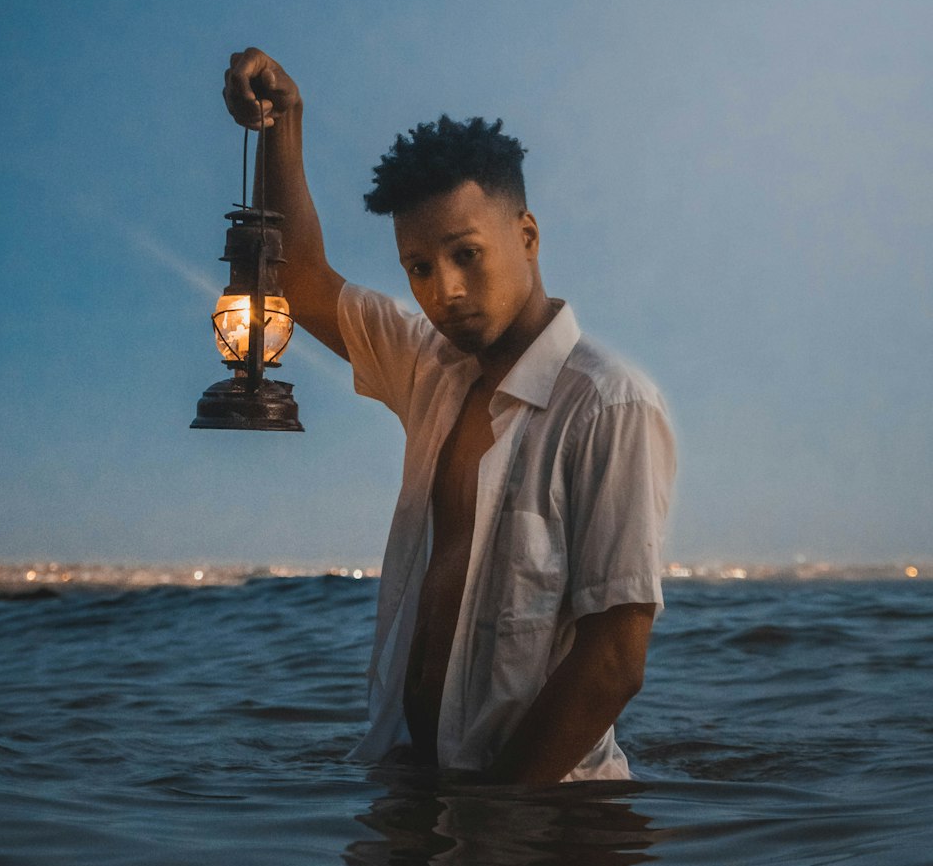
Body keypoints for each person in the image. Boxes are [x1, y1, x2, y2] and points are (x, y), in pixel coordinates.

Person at [223, 47, 676, 785]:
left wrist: (496, 821)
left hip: (548, 825)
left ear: (525, 237)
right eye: (420, 267)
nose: (447, 290)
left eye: (467, 254)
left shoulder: (606, 404)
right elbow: (300, 282)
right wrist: (285, 121)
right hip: (420, 794)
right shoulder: (428, 369)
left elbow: (614, 661)